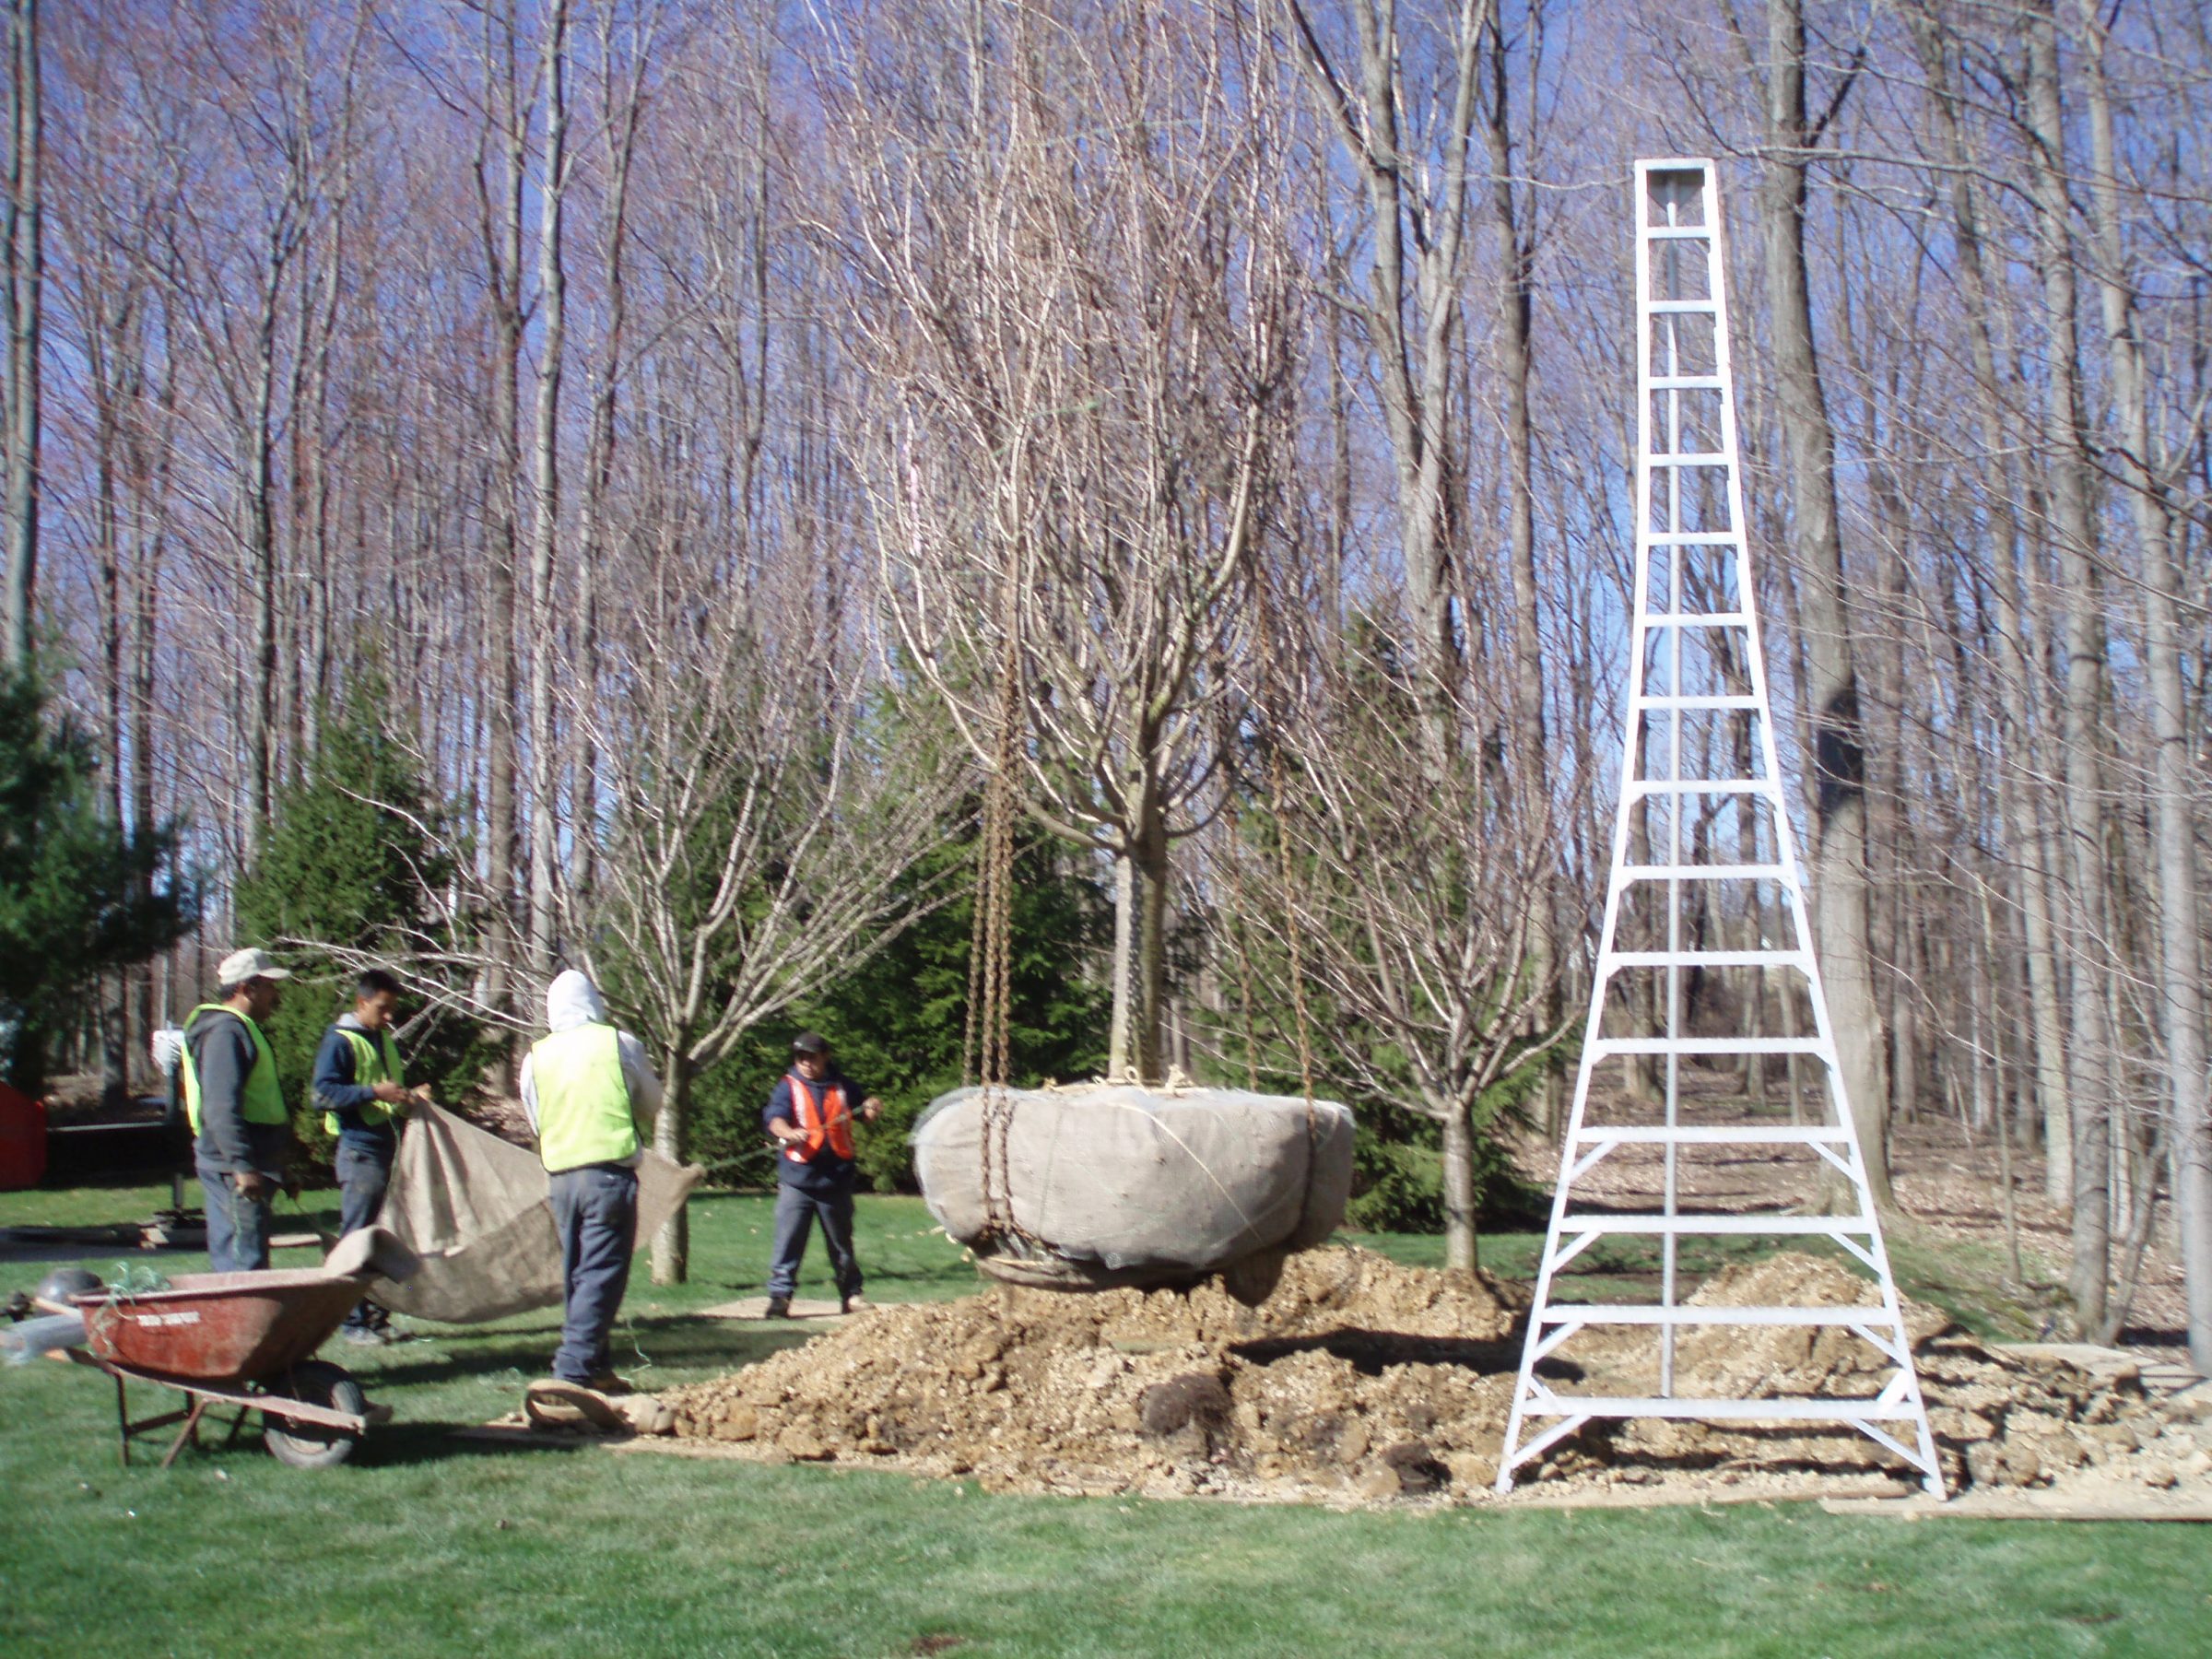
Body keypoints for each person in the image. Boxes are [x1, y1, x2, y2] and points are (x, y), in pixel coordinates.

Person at [518, 970, 663, 1391]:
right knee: (601, 1275)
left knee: (579, 1273)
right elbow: (651, 1102)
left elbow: (536, 1120)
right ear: (594, 1003)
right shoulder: (618, 1043)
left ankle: (594, 1366)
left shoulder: (535, 1057)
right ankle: (572, 1370)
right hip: (608, 1175)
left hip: (562, 1179)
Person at [313, 967, 429, 1343]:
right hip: (359, 1151)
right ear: (361, 1002)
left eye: (392, 1008)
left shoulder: (380, 1038)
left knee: (377, 1240)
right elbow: (323, 1094)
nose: (390, 1016)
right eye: (383, 1007)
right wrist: (372, 1093)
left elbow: (385, 1093)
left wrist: (410, 1097)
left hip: (382, 1149)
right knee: (356, 1240)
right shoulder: (340, 1041)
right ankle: (351, 1323)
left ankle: (375, 1317)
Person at [179, 947, 294, 1274]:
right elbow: (220, 1108)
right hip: (234, 1169)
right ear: (248, 988)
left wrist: (279, 1167)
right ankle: (241, 1325)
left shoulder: (240, 1028)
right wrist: (242, 1166)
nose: (276, 994)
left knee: (249, 1254)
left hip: (252, 1162)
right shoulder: (225, 1033)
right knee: (242, 1262)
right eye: (270, 986)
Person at [761, 1031, 880, 1317]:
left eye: (811, 1057)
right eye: (800, 1057)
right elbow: (774, 1117)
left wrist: (872, 1107)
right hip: (797, 1179)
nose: (805, 1063)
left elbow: (864, 1110)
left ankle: (851, 1296)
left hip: (836, 1178)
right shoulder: (787, 1086)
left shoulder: (842, 1086)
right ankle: (780, 1298)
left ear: (825, 1057)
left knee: (842, 1246)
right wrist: (787, 1132)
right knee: (788, 1243)